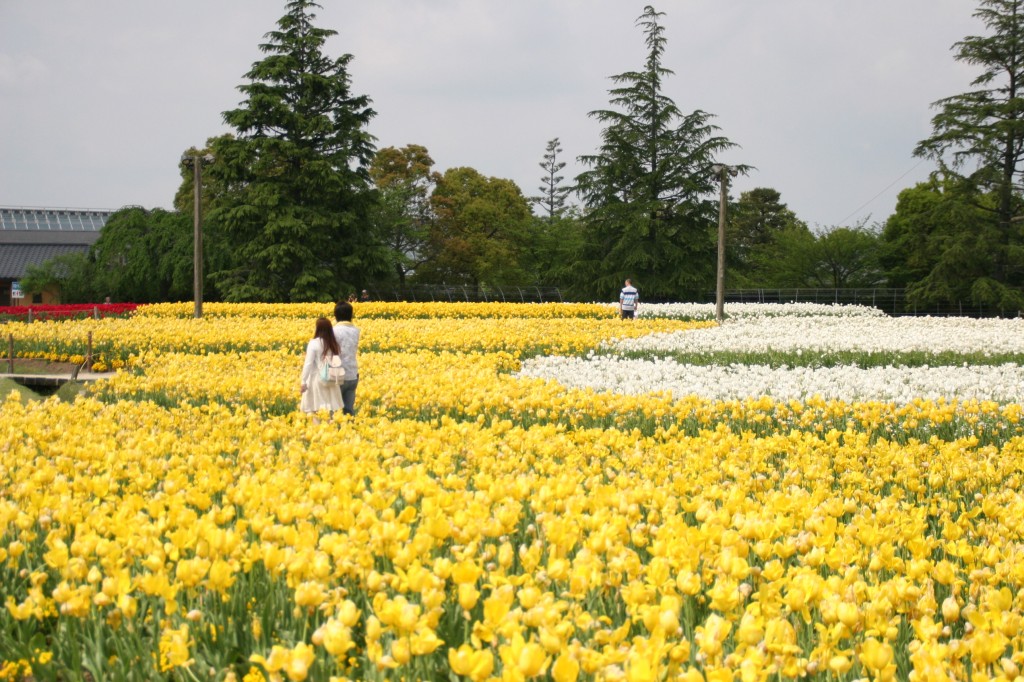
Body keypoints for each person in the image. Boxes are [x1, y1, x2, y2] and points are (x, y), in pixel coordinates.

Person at [299, 317, 344, 415]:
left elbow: (308, 364)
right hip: (332, 379)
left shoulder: (314, 343)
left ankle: (317, 430)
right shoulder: (333, 343)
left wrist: (303, 381)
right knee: (329, 412)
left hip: (317, 380)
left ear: (317, 329)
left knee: (315, 410)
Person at [333, 300, 361, 416]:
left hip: (338, 374)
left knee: (334, 411)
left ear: (336, 316)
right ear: (351, 315)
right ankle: (350, 432)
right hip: (353, 374)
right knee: (349, 411)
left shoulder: (334, 331)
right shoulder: (356, 331)